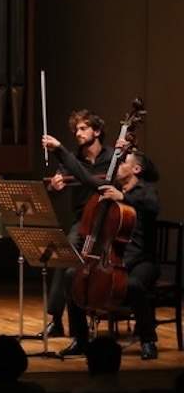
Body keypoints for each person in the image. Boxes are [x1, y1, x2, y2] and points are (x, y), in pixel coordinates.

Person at [43, 134, 161, 360]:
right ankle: (80, 338)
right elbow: (84, 176)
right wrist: (59, 149)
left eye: (123, 162)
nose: (117, 165)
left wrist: (124, 197)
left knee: (134, 284)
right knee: (70, 275)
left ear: (136, 170)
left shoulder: (147, 191)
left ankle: (148, 340)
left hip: (141, 261)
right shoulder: (109, 187)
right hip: (112, 258)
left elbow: (153, 207)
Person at [41, 110, 114, 338]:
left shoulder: (112, 158)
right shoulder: (72, 159)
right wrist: (54, 185)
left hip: (110, 219)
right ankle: (56, 319)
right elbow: (54, 190)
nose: (78, 133)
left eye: (83, 128)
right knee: (65, 258)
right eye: (76, 130)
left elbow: (90, 180)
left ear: (97, 131)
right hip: (82, 220)